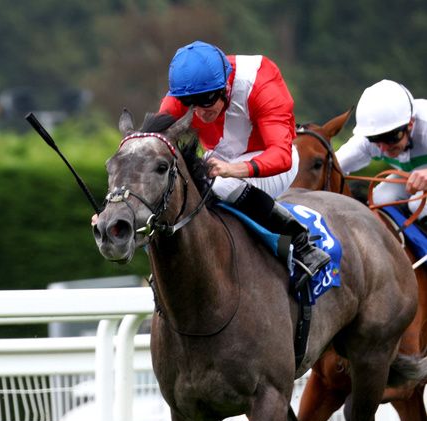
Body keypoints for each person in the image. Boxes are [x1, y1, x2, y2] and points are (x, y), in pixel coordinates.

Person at [158, 41, 330, 279]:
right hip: (222, 160)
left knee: (223, 185)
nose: (198, 112)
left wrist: (234, 169)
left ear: (224, 87)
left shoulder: (261, 83)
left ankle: (301, 243)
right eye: (189, 104)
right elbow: (146, 151)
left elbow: (281, 155)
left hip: (274, 161)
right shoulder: (184, 94)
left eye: (206, 100)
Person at [335, 80, 427, 221]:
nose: (383, 148)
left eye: (390, 137)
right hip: (408, 178)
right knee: (380, 200)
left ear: (410, 124)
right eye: (375, 139)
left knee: (418, 205)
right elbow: (331, 165)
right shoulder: (366, 139)